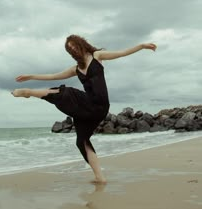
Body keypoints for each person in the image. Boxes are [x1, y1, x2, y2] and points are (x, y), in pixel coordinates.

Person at [12, 34, 157, 184]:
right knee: (81, 141)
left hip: (99, 105)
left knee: (67, 92)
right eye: (70, 49)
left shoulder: (97, 56)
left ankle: (29, 93)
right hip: (86, 109)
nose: (73, 49)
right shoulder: (76, 69)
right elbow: (54, 76)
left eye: (74, 45)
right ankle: (100, 177)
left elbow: (122, 53)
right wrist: (31, 76)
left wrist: (142, 46)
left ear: (81, 44)